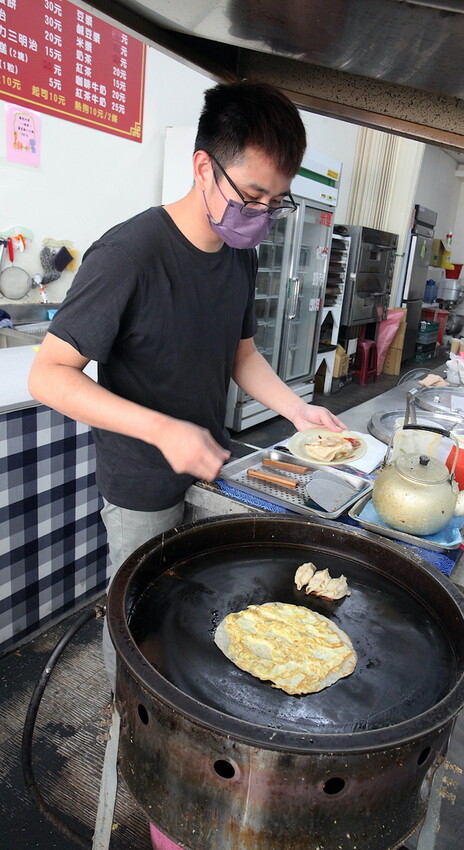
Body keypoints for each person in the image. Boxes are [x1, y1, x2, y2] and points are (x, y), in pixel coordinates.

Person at [28, 80, 345, 684]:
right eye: (253, 196)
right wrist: (162, 428)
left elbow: (241, 354)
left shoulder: (238, 253)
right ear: (204, 166)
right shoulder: (131, 253)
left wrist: (297, 410)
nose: (262, 216)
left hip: (210, 465)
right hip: (142, 480)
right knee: (138, 618)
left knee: (197, 612)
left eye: (276, 203)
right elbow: (50, 374)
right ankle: (124, 722)